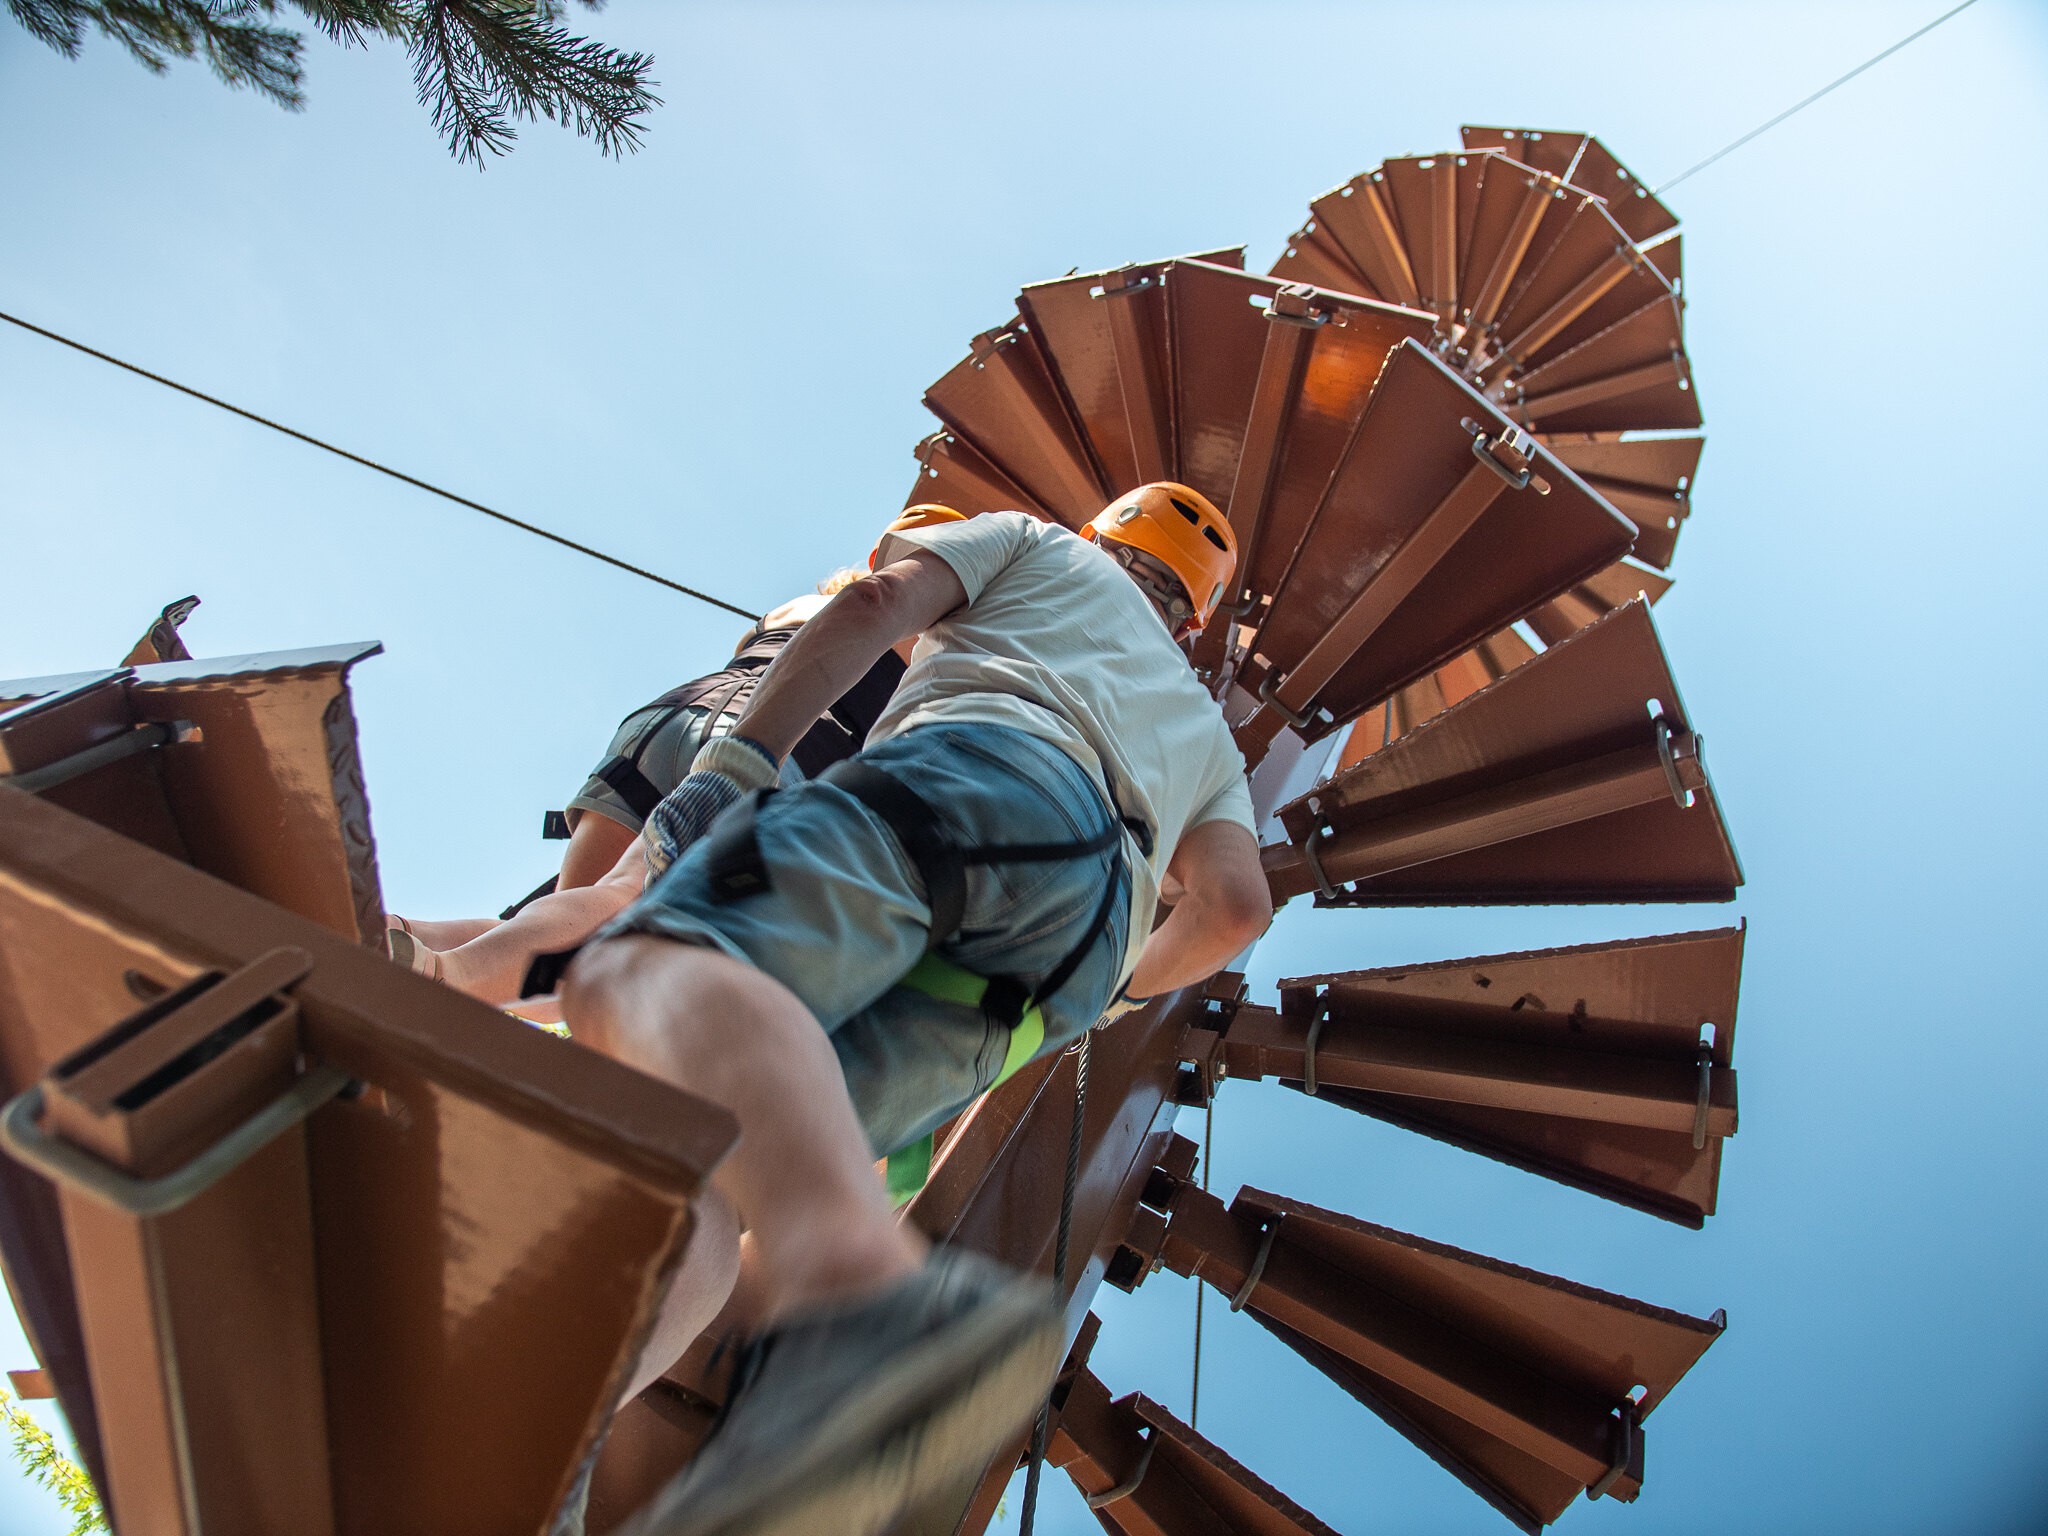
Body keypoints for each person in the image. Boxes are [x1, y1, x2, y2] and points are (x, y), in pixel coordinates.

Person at [565, 483, 1272, 1536]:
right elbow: (1233, 907)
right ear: (1190, 618)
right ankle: (570, 1465)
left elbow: (867, 607)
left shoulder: (1034, 546)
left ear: (1102, 535)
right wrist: (1120, 989)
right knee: (740, 1174)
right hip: (1069, 952)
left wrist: (735, 763)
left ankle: (836, 1309)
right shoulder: (1206, 733)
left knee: (641, 1000)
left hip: (965, 779)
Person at [387, 510, 965, 982]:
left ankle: (396, 934)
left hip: (674, 717)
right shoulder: (913, 630)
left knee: (563, 919)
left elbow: (752, 654)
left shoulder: (800, 604)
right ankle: (448, 976)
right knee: (612, 920)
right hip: (772, 748)